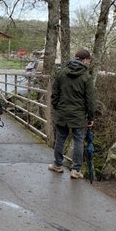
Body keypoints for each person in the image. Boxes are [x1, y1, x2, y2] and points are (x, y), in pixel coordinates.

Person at [48, 48, 95, 178]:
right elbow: (90, 100)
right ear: (84, 60)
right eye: (88, 61)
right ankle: (76, 170)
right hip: (78, 115)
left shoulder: (61, 73)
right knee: (78, 141)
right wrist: (91, 117)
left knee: (60, 139)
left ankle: (58, 165)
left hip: (62, 113)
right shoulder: (86, 76)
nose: (89, 63)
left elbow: (55, 94)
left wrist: (57, 107)